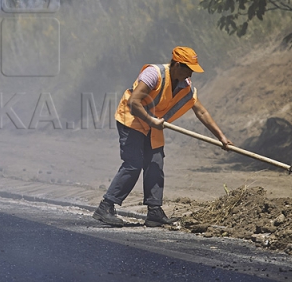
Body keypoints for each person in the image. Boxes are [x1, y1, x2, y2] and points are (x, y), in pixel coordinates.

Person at [93, 47, 233, 228]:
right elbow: (134, 102)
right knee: (133, 164)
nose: (190, 73)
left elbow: (202, 112)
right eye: (188, 68)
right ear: (176, 65)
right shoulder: (154, 74)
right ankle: (106, 207)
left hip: (153, 123)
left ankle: (154, 212)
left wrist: (222, 137)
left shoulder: (186, 86)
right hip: (133, 119)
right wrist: (151, 120)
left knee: (155, 164)